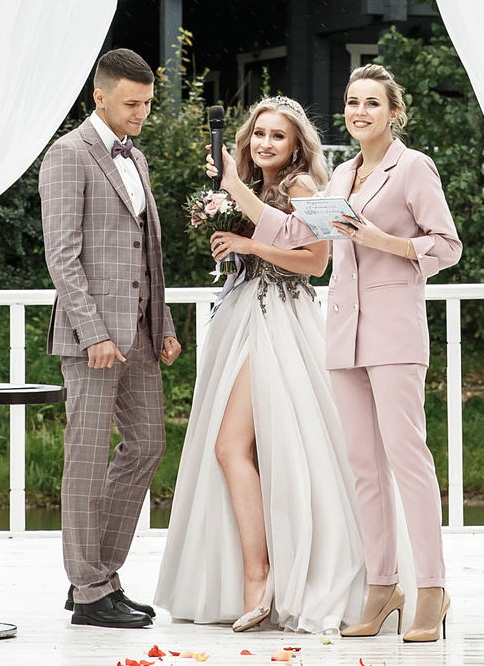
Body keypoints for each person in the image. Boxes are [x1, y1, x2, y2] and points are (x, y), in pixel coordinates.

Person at [154, 97, 370, 633]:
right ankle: (252, 571)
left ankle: (263, 573)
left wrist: (249, 235)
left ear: (297, 145)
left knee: (235, 446)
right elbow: (261, 240)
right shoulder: (257, 189)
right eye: (258, 135)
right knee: (244, 448)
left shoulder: (302, 188)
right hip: (243, 313)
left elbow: (316, 263)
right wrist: (233, 245)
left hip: (279, 320)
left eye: (278, 136)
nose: (265, 144)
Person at [40, 47, 183, 628]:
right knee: (85, 458)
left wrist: (165, 324)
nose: (141, 114)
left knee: (147, 444)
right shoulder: (67, 155)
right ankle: (91, 589)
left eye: (148, 104)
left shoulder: (138, 158)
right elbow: (63, 256)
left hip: (143, 336)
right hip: (92, 339)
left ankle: (99, 576)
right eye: (132, 103)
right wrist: (93, 331)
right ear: (100, 96)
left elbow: (149, 253)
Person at [322, 64, 462, 644]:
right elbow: (312, 240)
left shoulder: (414, 168)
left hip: (394, 332)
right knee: (363, 467)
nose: (360, 112)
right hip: (343, 334)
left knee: (408, 458)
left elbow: (447, 246)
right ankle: (383, 588)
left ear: (393, 112)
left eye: (371, 104)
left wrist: (377, 239)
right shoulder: (339, 175)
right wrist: (238, 196)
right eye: (352, 102)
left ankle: (431, 588)